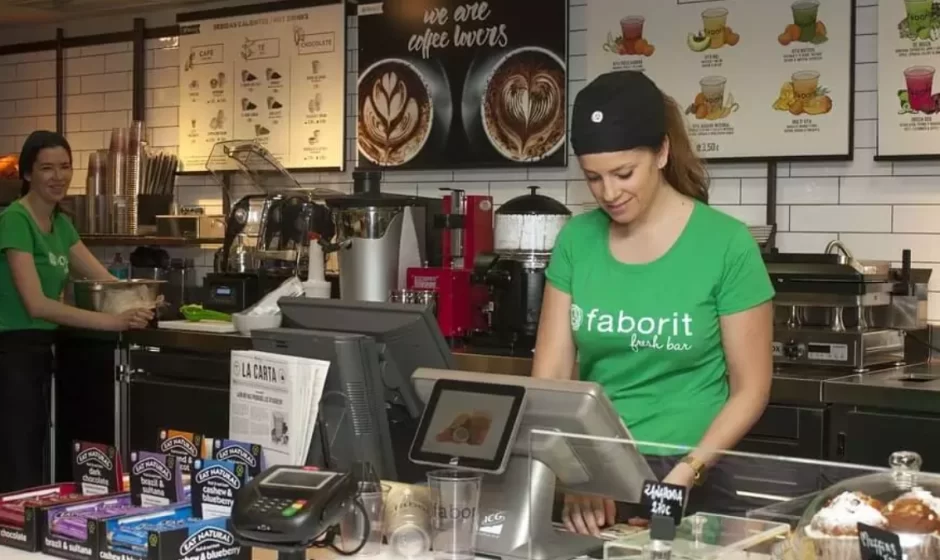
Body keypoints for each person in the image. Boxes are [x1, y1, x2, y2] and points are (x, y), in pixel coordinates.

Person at [531, 71, 774, 535]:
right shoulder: (576, 241)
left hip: (694, 472)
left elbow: (751, 389)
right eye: (593, 178)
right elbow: (550, 379)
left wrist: (685, 475)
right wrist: (576, 469)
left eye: (624, 174)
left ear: (662, 152)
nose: (609, 193)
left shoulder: (726, 244)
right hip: (598, 475)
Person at [0, 130, 153, 493]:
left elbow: (104, 280)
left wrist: (143, 301)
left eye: (65, 166)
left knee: (38, 459)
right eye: (47, 168)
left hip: (42, 352)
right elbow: (37, 304)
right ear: (27, 174)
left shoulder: (61, 224)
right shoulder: (15, 220)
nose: (59, 176)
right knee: (19, 463)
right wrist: (112, 321)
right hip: (10, 354)